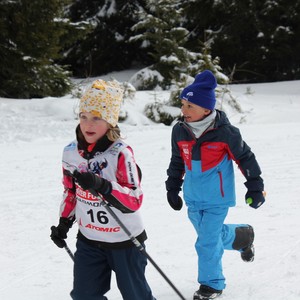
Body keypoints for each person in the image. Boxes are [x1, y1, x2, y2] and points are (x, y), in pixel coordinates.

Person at [50, 79, 156, 300]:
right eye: (83, 116)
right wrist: (64, 223)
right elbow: (70, 192)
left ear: (110, 122)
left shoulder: (120, 153)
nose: (88, 124)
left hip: (124, 241)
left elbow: (134, 199)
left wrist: (102, 185)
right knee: (84, 296)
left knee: (137, 296)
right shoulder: (70, 153)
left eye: (97, 118)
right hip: (89, 239)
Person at [165, 70, 266, 300]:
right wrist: (172, 187)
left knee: (206, 242)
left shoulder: (225, 133)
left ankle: (212, 285)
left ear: (206, 109)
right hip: (193, 197)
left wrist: (255, 187)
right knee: (211, 237)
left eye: (190, 106)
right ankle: (242, 236)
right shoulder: (180, 130)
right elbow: (177, 160)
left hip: (216, 198)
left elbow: (245, 158)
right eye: (183, 104)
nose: (184, 110)